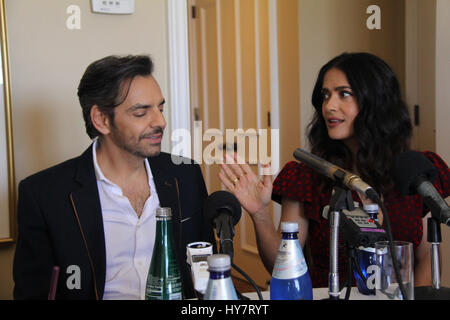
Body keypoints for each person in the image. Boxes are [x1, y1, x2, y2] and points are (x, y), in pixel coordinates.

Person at [219, 52, 450, 289]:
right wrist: (260, 214)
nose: (329, 106)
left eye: (344, 94)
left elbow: (426, 260)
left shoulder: (413, 172)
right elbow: (280, 266)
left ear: (376, 100)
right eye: (325, 95)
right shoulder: (306, 177)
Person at [13, 55, 215, 300]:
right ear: (101, 119)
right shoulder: (44, 195)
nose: (160, 122)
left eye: (160, 108)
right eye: (141, 113)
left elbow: (208, 274)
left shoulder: (186, 175)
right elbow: (33, 293)